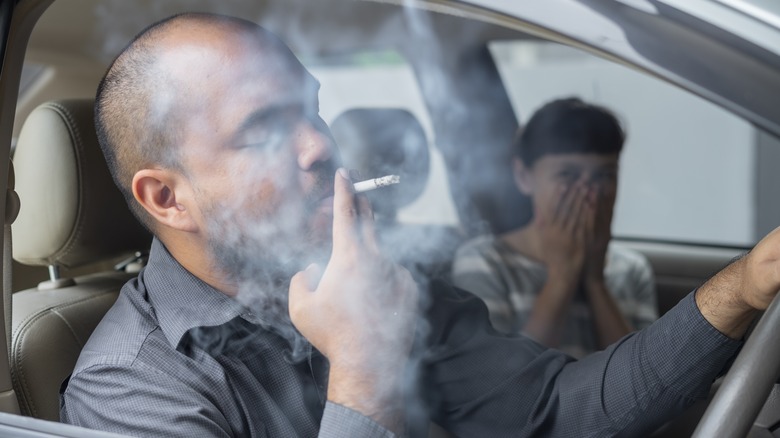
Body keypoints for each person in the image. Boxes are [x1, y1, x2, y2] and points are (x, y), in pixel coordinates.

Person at [59, 12, 777, 438]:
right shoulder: (131, 387)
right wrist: (364, 364)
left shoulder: (365, 274)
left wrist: (743, 287)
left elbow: (558, 412)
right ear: (167, 199)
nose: (319, 144)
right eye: (262, 130)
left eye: (310, 110)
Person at [452, 98, 656, 357]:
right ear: (524, 177)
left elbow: (644, 379)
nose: (589, 195)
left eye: (604, 176)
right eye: (567, 175)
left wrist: (595, 281)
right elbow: (506, 381)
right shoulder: (484, 261)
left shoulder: (631, 269)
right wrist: (562, 275)